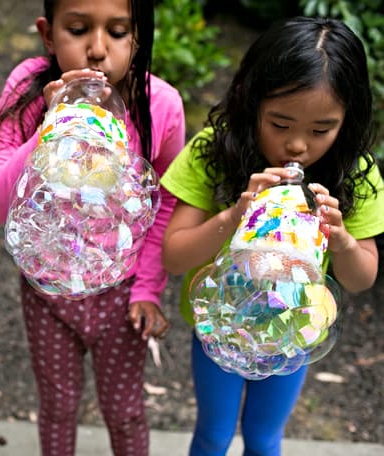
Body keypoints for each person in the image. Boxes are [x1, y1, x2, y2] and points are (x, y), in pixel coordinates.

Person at [160, 16, 384, 456]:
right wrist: (235, 214)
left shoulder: (355, 174)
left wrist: (340, 241)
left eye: (321, 130)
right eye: (279, 124)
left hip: (292, 329)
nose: (298, 145)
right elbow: (174, 256)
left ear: (348, 120)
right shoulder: (215, 152)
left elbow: (361, 279)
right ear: (251, 103)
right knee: (214, 435)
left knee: (264, 440)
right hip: (220, 326)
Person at [0, 0, 184, 454]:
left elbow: (163, 203)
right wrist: (51, 127)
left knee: (126, 413)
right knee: (58, 407)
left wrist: (148, 288)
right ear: (48, 34)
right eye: (78, 29)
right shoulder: (29, 89)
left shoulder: (161, 105)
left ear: (139, 36)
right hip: (47, 294)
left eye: (117, 31)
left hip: (121, 296)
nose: (96, 49)